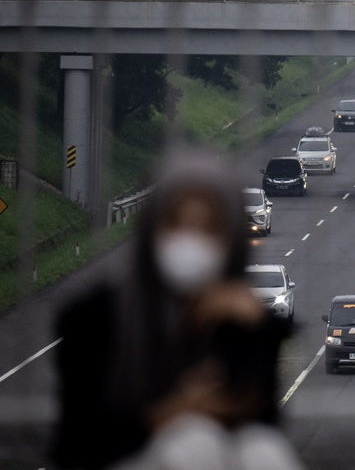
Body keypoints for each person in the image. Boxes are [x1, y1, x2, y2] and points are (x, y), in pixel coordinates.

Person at [53, 148, 297, 469]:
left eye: (208, 228)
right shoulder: (94, 319)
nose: (190, 242)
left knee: (261, 450)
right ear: (150, 231)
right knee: (195, 443)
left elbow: (263, 419)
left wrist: (253, 334)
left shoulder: (245, 319)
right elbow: (77, 445)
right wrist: (174, 412)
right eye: (175, 224)